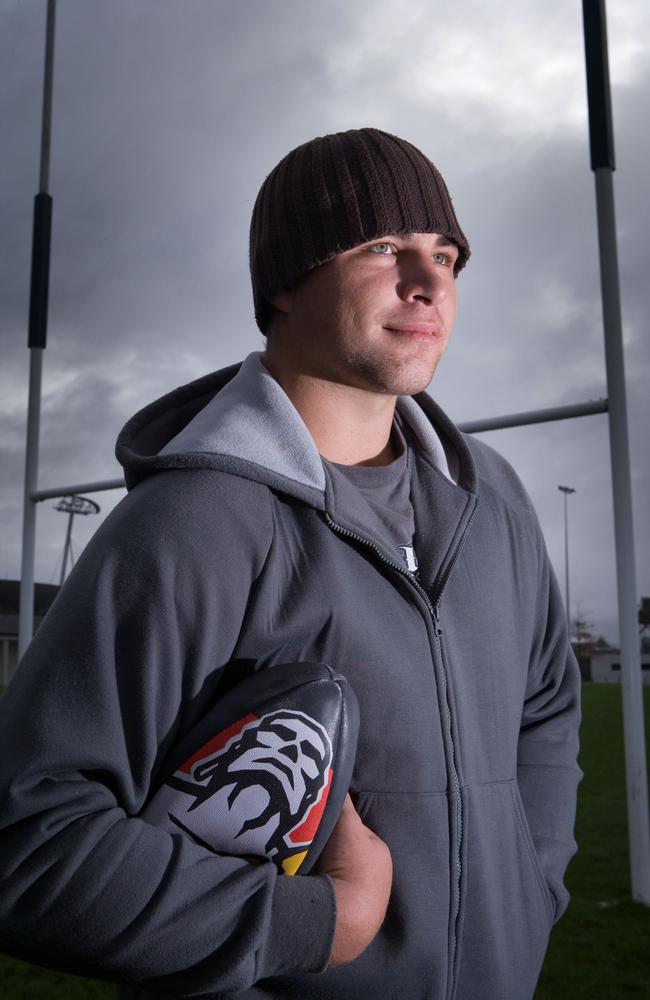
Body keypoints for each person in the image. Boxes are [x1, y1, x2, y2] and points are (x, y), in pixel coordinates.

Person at [0, 128, 581, 999]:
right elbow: (32, 840)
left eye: (447, 256)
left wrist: (529, 885)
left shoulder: (490, 497)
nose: (429, 284)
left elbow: (547, 705)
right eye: (384, 247)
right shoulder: (193, 521)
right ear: (282, 280)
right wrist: (311, 925)